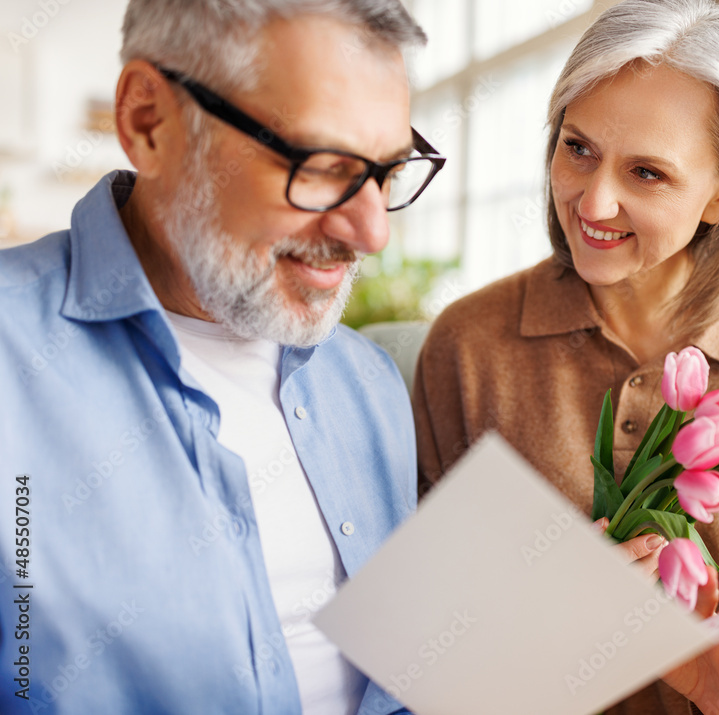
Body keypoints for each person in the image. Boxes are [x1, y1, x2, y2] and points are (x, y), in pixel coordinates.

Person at [413, 0, 719, 713]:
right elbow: (425, 594)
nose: (594, 201)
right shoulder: (470, 344)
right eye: (577, 147)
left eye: (647, 173)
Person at [0, 1, 443, 713]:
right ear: (149, 123)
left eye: (387, 172)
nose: (371, 232)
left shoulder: (367, 383)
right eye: (322, 166)